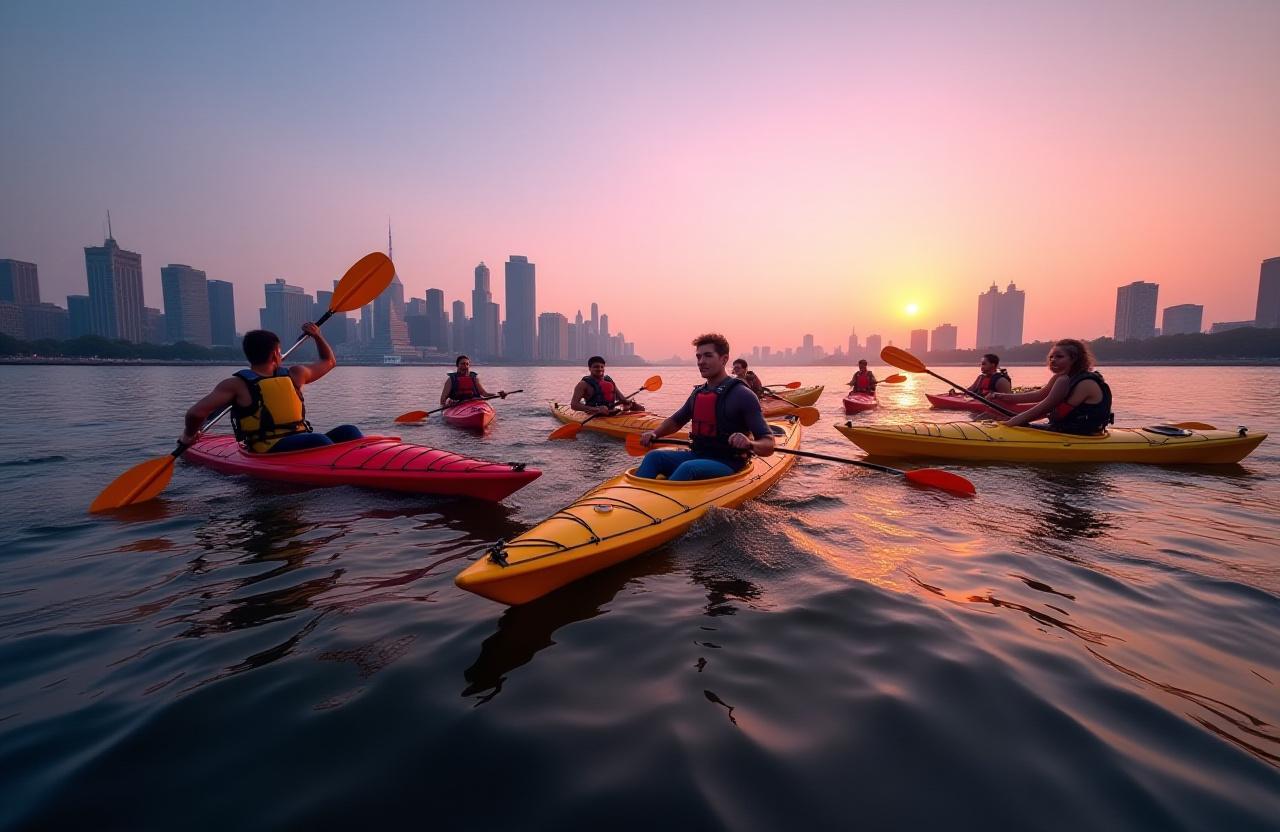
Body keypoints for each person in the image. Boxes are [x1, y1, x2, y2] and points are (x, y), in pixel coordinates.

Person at [181, 324, 363, 453]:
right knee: (320, 441)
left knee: (349, 431)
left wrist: (189, 433)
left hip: (300, 440)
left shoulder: (294, 375)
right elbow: (329, 361)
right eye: (279, 350)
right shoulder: (239, 385)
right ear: (276, 353)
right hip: (266, 446)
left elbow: (195, 414)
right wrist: (317, 335)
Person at [636, 333, 775, 481]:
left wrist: (750, 443)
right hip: (697, 455)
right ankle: (633, 499)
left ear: (724, 359)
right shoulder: (698, 393)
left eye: (708, 356)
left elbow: (769, 443)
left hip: (728, 462)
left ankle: (663, 501)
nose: (701, 362)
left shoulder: (743, 395)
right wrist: (655, 434)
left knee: (688, 468)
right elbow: (676, 421)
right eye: (698, 357)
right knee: (653, 457)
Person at [990, 339, 1113, 434]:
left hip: (1083, 432)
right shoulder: (1061, 377)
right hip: (1065, 427)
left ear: (1074, 359)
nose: (1053, 360)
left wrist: (1011, 423)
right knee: (1022, 424)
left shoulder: (1085, 383)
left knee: (1021, 425)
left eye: (1059, 357)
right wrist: (1002, 396)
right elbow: (1039, 395)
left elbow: (1046, 406)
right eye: (1051, 357)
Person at [571, 355, 643, 415]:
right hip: (594, 415)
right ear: (590, 368)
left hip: (612, 412)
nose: (599, 369)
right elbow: (574, 405)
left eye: (602, 367)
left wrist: (630, 403)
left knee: (641, 409)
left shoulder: (609, 381)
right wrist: (596, 409)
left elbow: (622, 399)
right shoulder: (583, 384)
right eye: (596, 367)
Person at [440, 355, 506, 408]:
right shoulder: (451, 380)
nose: (465, 366)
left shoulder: (474, 378)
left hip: (475, 403)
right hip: (458, 405)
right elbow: (442, 400)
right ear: (457, 365)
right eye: (462, 364)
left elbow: (484, 394)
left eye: (467, 364)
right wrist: (446, 405)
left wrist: (498, 394)